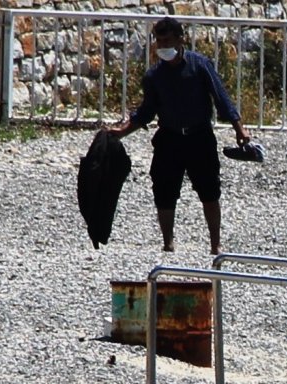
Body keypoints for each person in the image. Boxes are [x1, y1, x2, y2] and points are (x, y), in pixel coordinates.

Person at [107, 16, 250, 255]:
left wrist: (239, 129)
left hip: (199, 137)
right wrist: (122, 132)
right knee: (163, 190)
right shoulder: (154, 76)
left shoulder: (199, 65)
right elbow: (146, 111)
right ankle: (168, 243)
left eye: (167, 40)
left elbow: (221, 97)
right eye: (159, 41)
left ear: (180, 40)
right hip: (169, 138)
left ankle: (215, 244)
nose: (163, 46)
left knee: (209, 190)